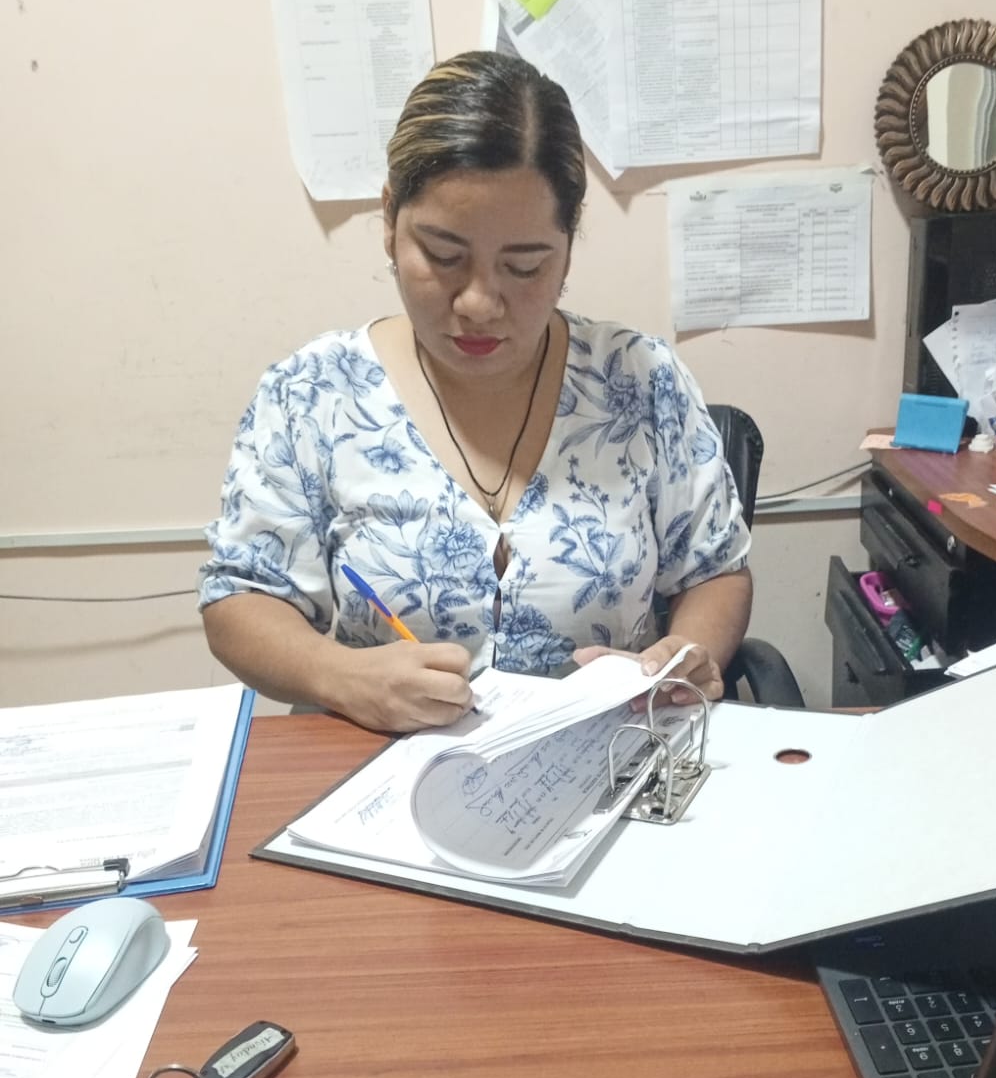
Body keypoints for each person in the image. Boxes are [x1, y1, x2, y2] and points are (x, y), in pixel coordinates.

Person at [199, 51, 752, 734]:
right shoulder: (312, 394)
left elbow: (715, 571)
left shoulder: (640, 380)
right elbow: (241, 598)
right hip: (384, 765)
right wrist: (339, 674)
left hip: (605, 757)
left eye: (525, 266)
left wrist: (687, 653)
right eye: (443, 256)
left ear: (568, 245)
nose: (480, 304)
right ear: (389, 220)